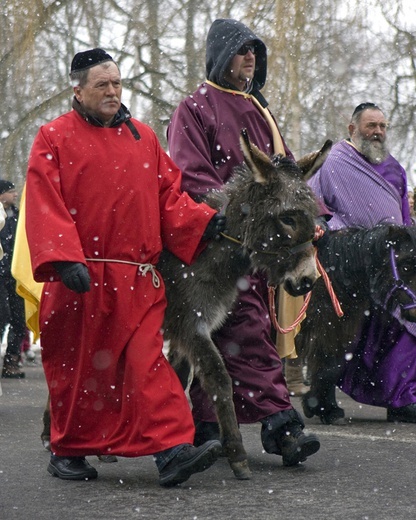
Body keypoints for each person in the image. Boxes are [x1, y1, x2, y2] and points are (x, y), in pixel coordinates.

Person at [24, 48, 226, 486]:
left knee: (146, 364)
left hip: (137, 281)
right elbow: (43, 201)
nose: (113, 92)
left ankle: (172, 451)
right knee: (81, 374)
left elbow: (168, 197)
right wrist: (62, 257)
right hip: (79, 279)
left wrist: (204, 221)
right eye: (103, 85)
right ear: (77, 91)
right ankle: (68, 450)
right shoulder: (52, 136)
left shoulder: (144, 137)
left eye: (117, 83)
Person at [167, 18, 320, 466]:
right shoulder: (193, 107)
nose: (250, 57)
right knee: (221, 337)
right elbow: (190, 174)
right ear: (219, 57)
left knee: (246, 335)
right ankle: (270, 426)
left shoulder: (260, 109)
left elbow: (288, 176)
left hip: (261, 248)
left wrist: (309, 221)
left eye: (255, 50)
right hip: (215, 244)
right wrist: (227, 218)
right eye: (240, 50)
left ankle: (225, 428)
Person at [308, 102, 416, 422]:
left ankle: (401, 399)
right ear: (352, 129)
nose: (378, 132)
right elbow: (315, 204)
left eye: (383, 126)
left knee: (401, 326)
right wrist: (320, 228)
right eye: (371, 126)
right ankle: (321, 397)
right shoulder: (331, 162)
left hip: (391, 264)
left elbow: (404, 220)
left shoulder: (395, 169)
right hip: (347, 261)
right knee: (340, 333)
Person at [0, 180, 27, 379]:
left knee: (19, 320)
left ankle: (11, 361)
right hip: (0, 275)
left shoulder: (17, 216)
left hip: (15, 275)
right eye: (11, 191)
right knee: (2, 317)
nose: (15, 194)